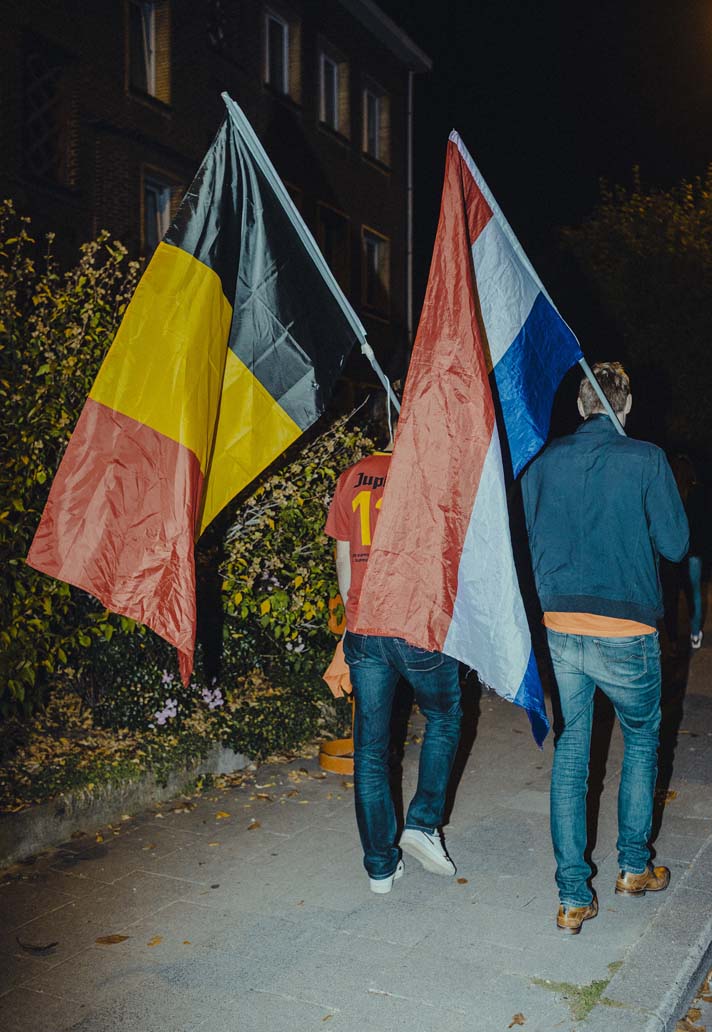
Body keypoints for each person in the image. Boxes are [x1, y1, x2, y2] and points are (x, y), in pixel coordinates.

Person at [521, 362, 689, 934]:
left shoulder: (542, 461)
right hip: (626, 629)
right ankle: (634, 868)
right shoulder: (646, 459)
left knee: (571, 752)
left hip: (561, 624)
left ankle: (572, 897)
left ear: (580, 406)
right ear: (627, 405)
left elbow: (528, 537)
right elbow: (676, 544)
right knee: (641, 740)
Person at [325, 397, 462, 894]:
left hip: (366, 627)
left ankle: (380, 866)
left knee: (370, 750)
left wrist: (352, 623)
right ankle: (422, 822)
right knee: (444, 716)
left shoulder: (352, 477)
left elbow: (344, 562)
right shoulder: (427, 478)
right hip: (415, 625)